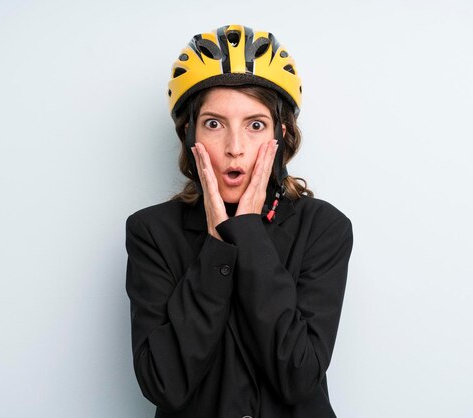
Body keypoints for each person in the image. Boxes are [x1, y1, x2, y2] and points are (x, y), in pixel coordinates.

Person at [125, 24, 354, 418]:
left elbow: (298, 375)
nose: (234, 148)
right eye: (214, 124)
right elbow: (164, 384)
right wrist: (217, 248)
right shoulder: (152, 232)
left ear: (281, 136)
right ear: (189, 134)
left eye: (255, 125)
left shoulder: (323, 228)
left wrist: (246, 233)